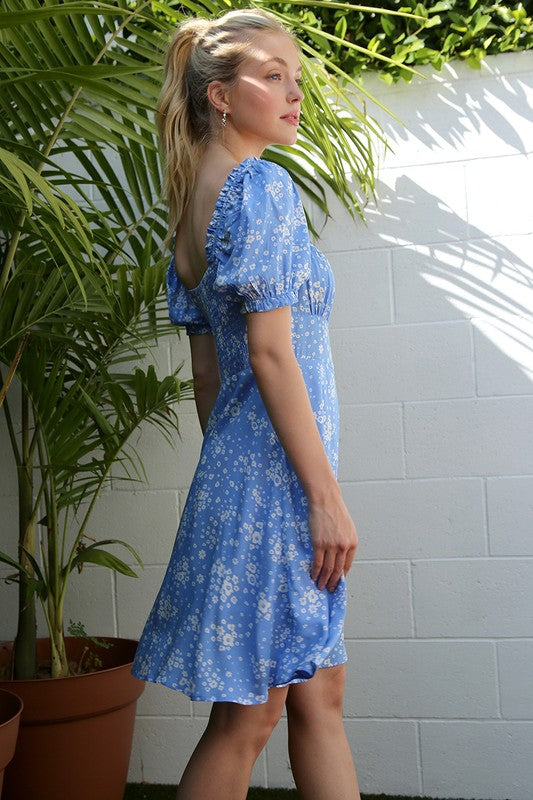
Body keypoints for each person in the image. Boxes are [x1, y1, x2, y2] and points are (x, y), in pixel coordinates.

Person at [132, 8, 360, 799]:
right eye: (271, 77)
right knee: (247, 722)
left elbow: (208, 383)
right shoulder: (259, 187)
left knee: (316, 694)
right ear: (220, 96)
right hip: (282, 489)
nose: (293, 95)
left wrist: (246, 481)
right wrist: (320, 499)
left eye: (295, 79)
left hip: (251, 479)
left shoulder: (193, 206)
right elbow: (265, 354)